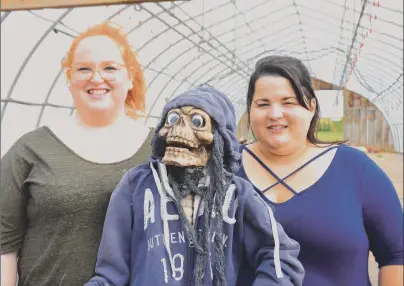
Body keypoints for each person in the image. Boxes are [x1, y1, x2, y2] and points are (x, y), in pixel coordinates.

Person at [85, 87, 304, 286]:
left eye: (197, 122)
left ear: (221, 139)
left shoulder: (236, 194)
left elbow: (279, 254)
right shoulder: (136, 185)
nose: (178, 130)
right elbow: (111, 275)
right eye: (172, 119)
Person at [0, 22, 153, 286]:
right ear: (70, 80)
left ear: (130, 78)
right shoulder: (31, 150)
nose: (96, 78)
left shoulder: (159, 150)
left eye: (109, 68)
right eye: (84, 68)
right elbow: (4, 247)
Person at [235, 56, 403, 286]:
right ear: (250, 110)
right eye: (263, 104)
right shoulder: (228, 168)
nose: (274, 114)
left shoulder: (355, 169)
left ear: (311, 107)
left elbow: (396, 255)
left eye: (288, 102)